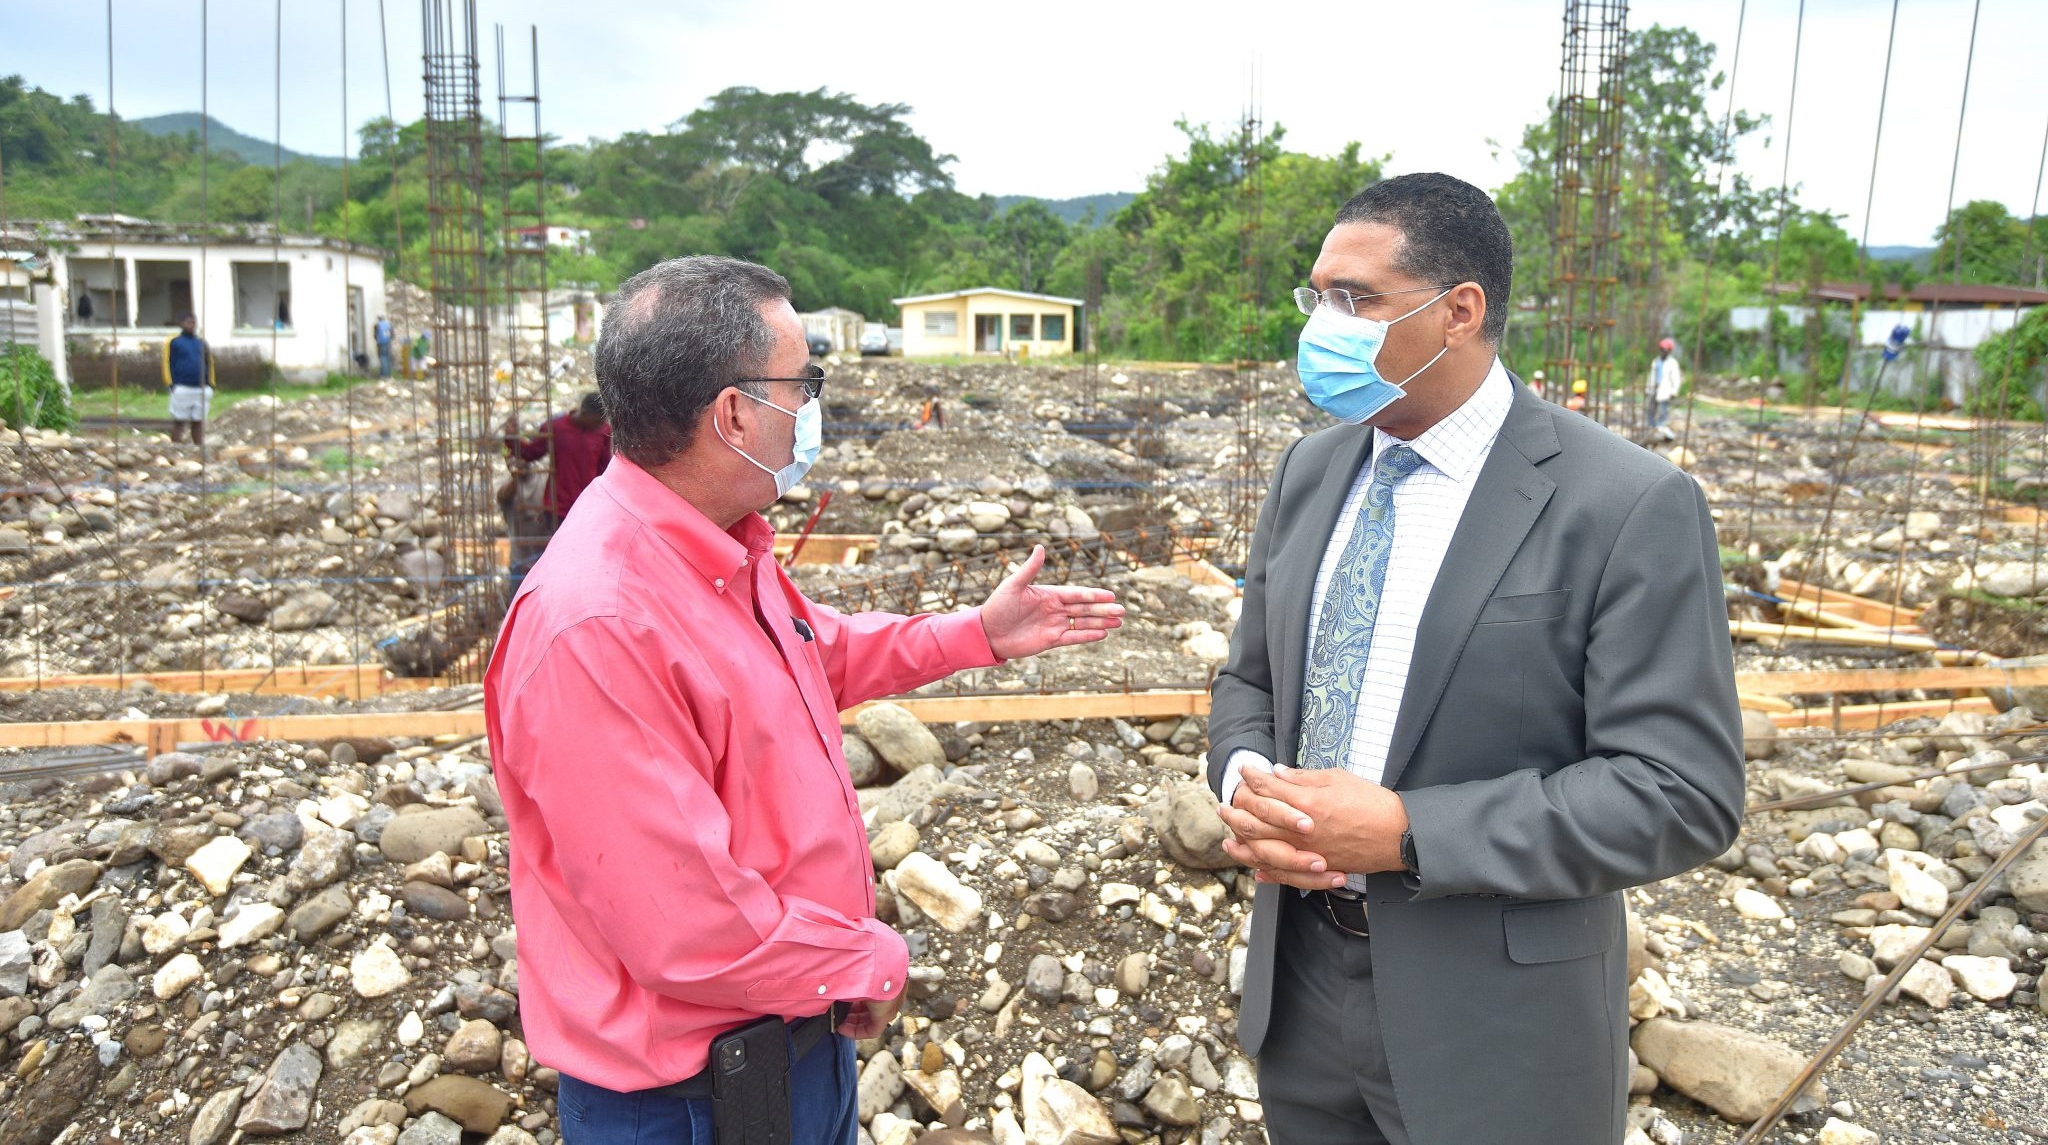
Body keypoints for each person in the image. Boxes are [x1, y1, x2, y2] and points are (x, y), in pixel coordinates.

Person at [484, 256, 1125, 1144]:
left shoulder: (708, 551)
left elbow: (805, 655)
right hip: (691, 1103)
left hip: (784, 1041)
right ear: (735, 413)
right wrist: (867, 959)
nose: (811, 406)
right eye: (803, 382)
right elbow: (685, 926)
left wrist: (977, 632)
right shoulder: (600, 624)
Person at [1207, 173, 1743, 1145]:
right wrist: (1246, 778)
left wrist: (1411, 830)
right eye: (1317, 295)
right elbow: (1250, 678)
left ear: (1458, 312)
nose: (1322, 323)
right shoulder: (1307, 471)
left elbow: (1680, 791)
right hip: (1303, 990)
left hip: (1494, 1027)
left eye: (1354, 299)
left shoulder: (1622, 504)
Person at [500, 392, 613, 595]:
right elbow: (530, 452)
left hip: (590, 508)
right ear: (585, 413)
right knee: (561, 562)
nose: (601, 425)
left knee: (587, 563)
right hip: (559, 508)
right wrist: (511, 438)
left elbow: (606, 468)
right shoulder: (555, 429)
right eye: (598, 420)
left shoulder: (603, 431)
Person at [160, 313, 215, 448]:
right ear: (182, 324)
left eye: (193, 322)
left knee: (198, 421)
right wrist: (170, 384)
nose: (191, 325)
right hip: (182, 387)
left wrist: (211, 384)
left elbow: (209, 363)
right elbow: (166, 362)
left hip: (202, 388)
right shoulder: (174, 341)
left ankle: (198, 448)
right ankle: (175, 448)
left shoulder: (201, 342)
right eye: (188, 322)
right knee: (179, 421)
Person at [1647, 337, 1683, 440]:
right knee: (1651, 408)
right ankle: (1651, 426)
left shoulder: (1672, 363)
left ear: (1669, 352)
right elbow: (1651, 376)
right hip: (1654, 388)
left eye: (1666, 351)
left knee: (1663, 410)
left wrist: (1674, 391)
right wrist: (1647, 388)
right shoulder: (1655, 361)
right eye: (1663, 350)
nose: (1664, 352)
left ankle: (1661, 427)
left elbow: (1676, 378)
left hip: (1665, 390)